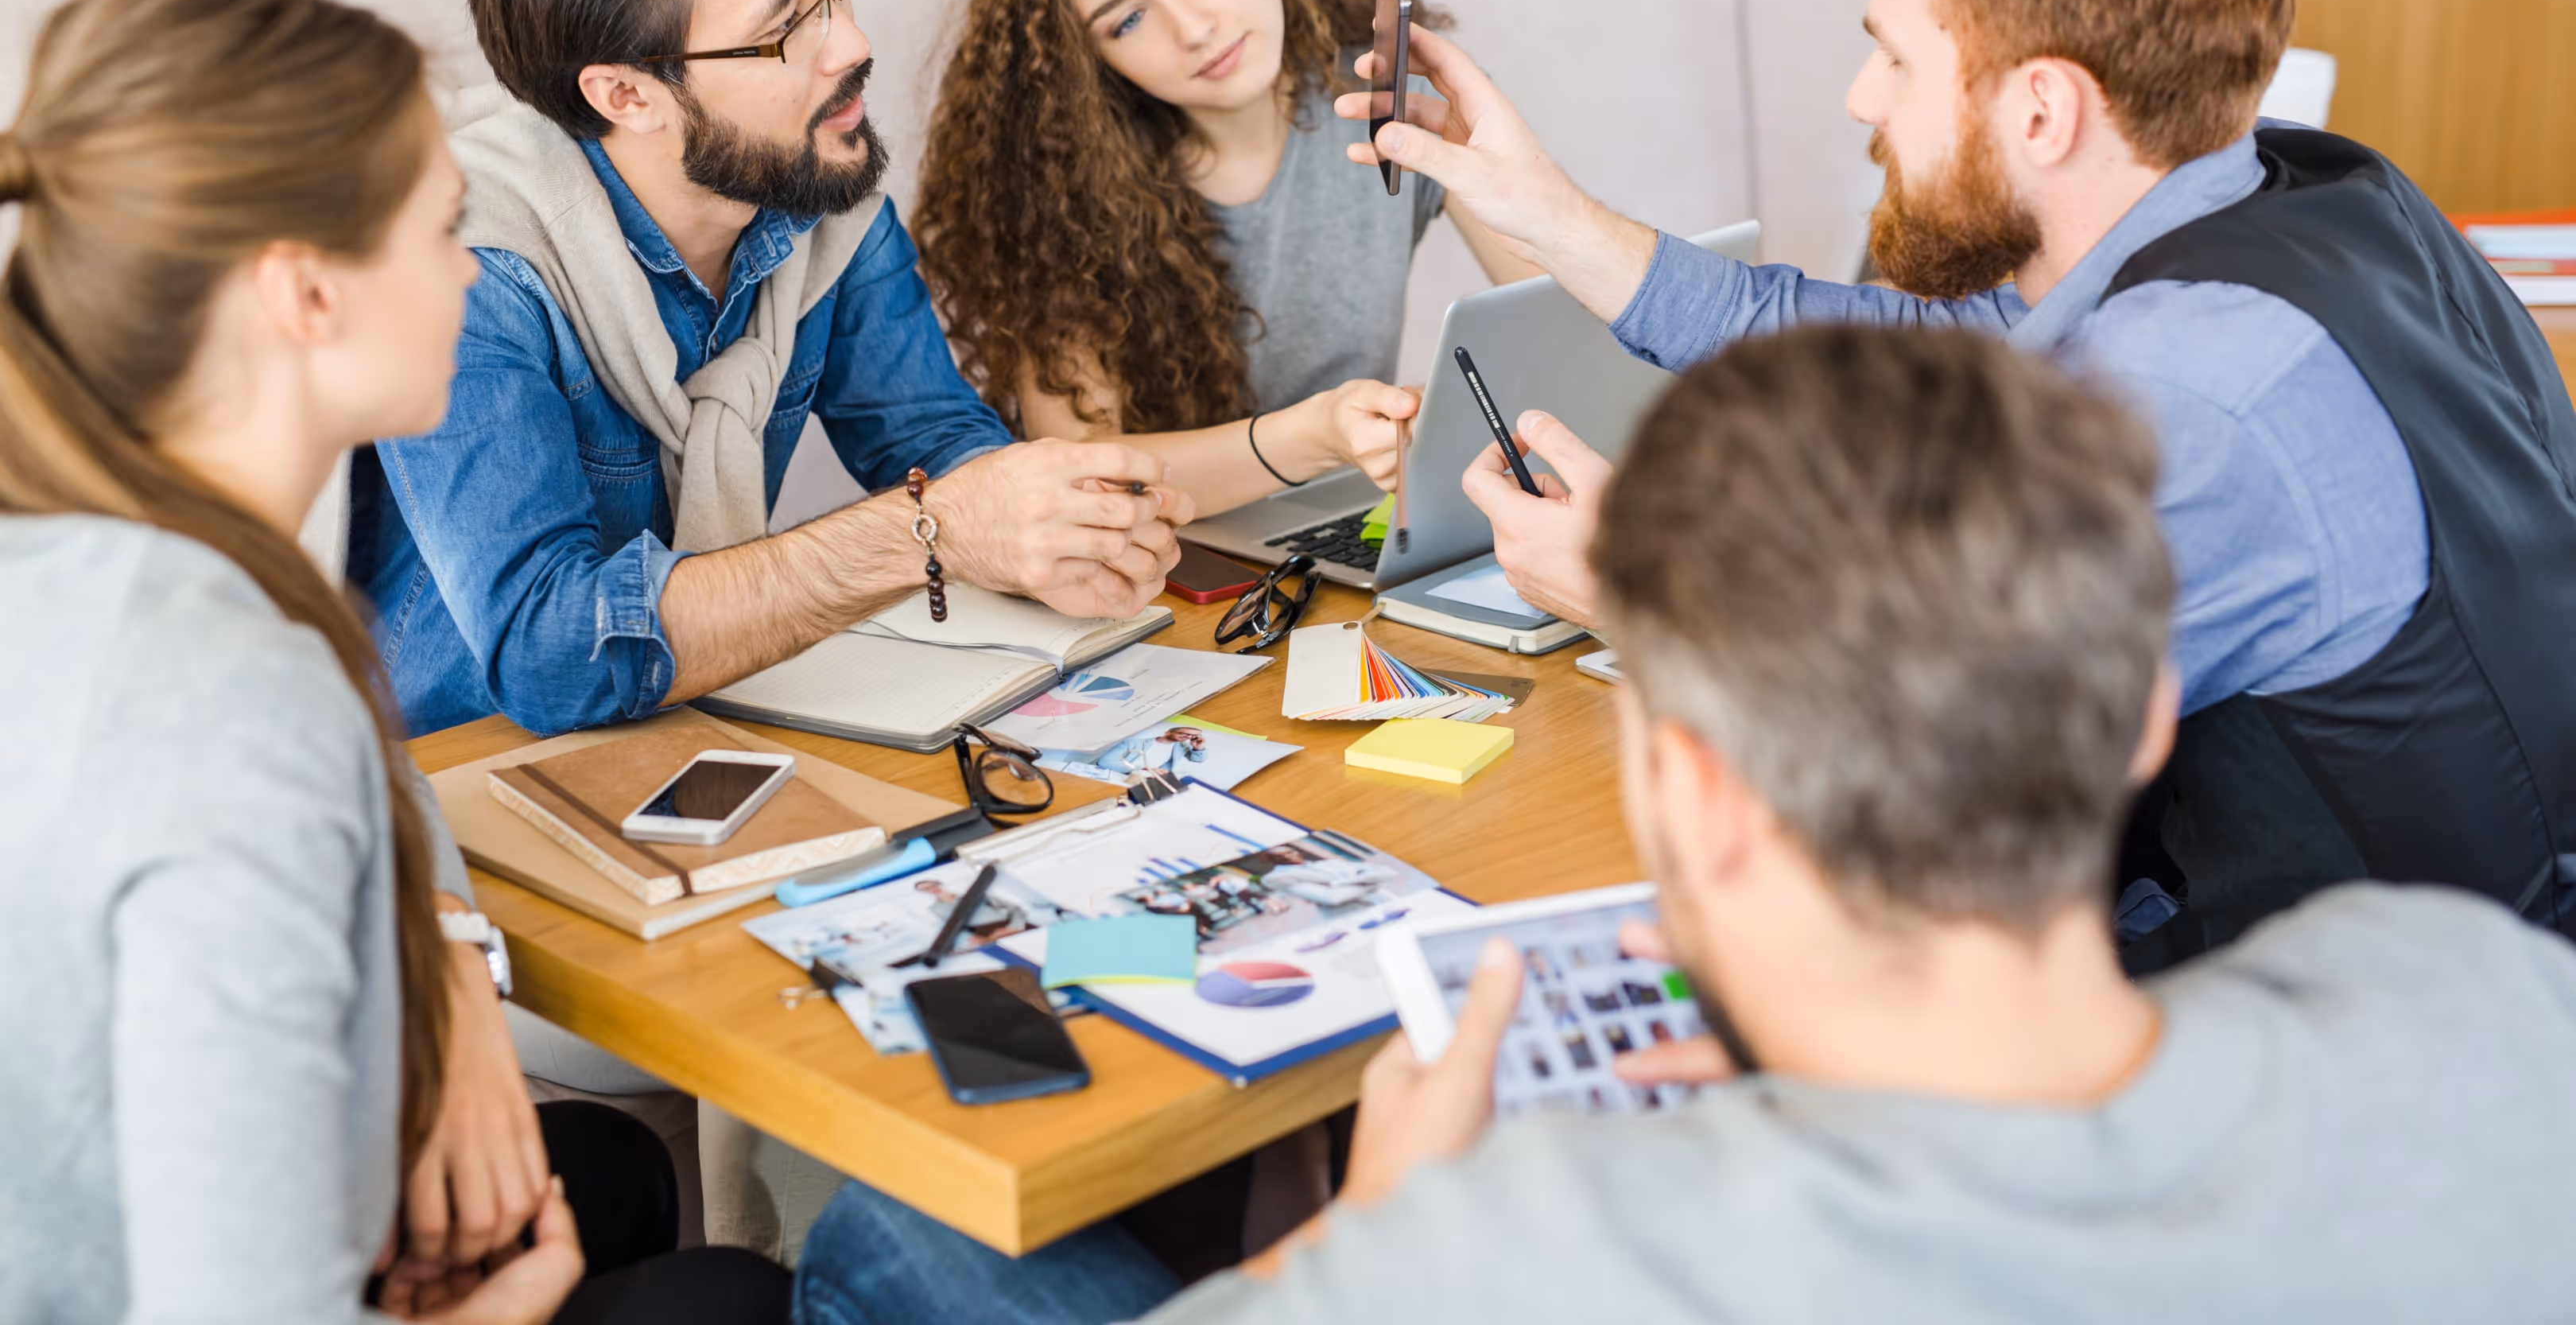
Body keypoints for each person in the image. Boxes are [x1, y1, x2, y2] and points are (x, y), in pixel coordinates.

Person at [789, 326, 2576, 1325]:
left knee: (889, 1241)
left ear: (1692, 796)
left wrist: (1367, 1233)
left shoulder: (1510, 1258)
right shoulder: (2476, 996)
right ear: (2140, 710)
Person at [1338, 0, 2576, 966]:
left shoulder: (2187, 397)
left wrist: (1629, 588)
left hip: (2329, 1043)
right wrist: (1537, 205)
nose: (1859, 98)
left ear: (2042, 112)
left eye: (1895, 59)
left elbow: (1919, 764)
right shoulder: (2300, 193)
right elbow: (1879, 348)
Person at [0, 0, 789, 1323]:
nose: (473, 269)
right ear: (305, 294)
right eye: (443, 230)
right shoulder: (229, 701)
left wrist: (450, 962)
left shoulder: (103, 562)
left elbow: (371, 773)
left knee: (598, 1174)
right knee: (729, 1296)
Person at [350, 0, 1189, 739]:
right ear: (627, 94)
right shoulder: (468, 271)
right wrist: (931, 531)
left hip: (708, 733)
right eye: (788, 26)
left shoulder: (816, 192)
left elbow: (938, 446)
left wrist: (1058, 533)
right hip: (458, 781)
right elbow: (551, 652)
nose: (854, 43)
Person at [913, 0, 1535, 519]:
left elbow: (1574, 321)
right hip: (1167, 577)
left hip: (1357, 540)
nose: (1194, 27)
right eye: (1128, 20)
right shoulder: (1060, 195)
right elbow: (1083, 481)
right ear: (1090, 61)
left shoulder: (1395, 101)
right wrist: (1314, 436)